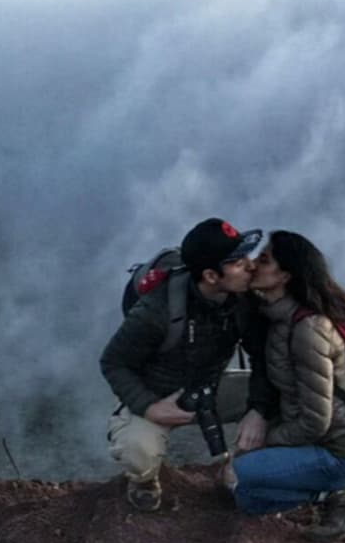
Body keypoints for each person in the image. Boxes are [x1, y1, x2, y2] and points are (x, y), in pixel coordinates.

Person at [101, 217, 271, 512]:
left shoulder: (243, 302)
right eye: (237, 261)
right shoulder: (157, 309)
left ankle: (239, 471)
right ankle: (144, 481)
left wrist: (259, 409)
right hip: (160, 394)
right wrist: (150, 407)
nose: (250, 265)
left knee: (288, 401)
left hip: (213, 389)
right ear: (210, 275)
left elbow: (265, 359)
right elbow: (114, 362)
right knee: (137, 452)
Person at [228, 229, 345, 543]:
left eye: (264, 259)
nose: (253, 265)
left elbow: (316, 421)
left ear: (285, 275)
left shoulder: (308, 329)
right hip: (324, 443)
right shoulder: (279, 319)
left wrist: (268, 441)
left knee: (243, 469)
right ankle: (333, 492)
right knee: (247, 498)